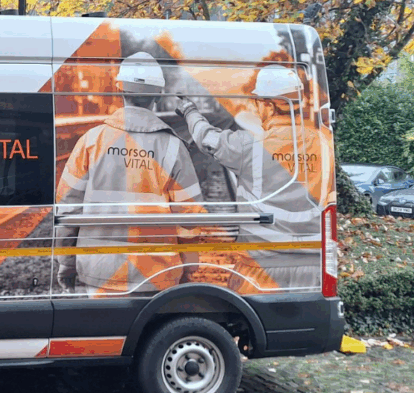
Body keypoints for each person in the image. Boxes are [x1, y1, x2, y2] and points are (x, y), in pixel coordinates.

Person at [56, 52, 204, 296]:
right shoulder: (173, 148)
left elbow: (67, 209)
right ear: (158, 94)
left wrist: (66, 262)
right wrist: (188, 267)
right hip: (156, 276)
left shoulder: (91, 141)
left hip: (97, 273)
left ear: (119, 89)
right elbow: (189, 218)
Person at [174, 65, 329, 291]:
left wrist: (189, 111)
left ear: (267, 104)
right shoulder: (324, 145)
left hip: (261, 268)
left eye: (257, 103)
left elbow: (206, 138)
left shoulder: (250, 147)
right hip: (313, 266)